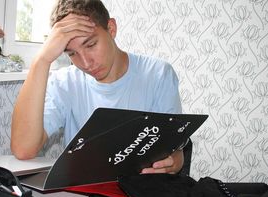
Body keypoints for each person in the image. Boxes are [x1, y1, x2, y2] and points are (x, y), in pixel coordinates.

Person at [11, 0, 184, 174]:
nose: (86, 63)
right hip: (81, 193)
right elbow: (24, 149)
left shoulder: (159, 74)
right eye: (72, 53)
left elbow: (173, 150)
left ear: (111, 28)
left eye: (91, 44)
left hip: (138, 191)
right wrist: (42, 60)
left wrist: (175, 161)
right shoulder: (64, 83)